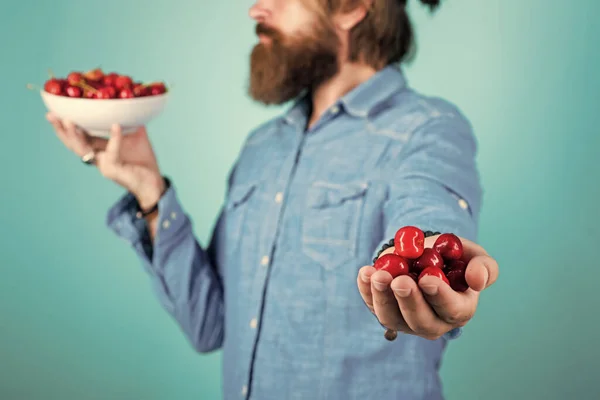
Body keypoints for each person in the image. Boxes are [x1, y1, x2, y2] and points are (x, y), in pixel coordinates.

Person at [46, 0, 499, 398]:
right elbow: (209, 325)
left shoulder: (429, 128)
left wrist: (432, 261)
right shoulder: (262, 147)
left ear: (351, 7)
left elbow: (428, 207)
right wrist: (148, 188)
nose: (256, 9)